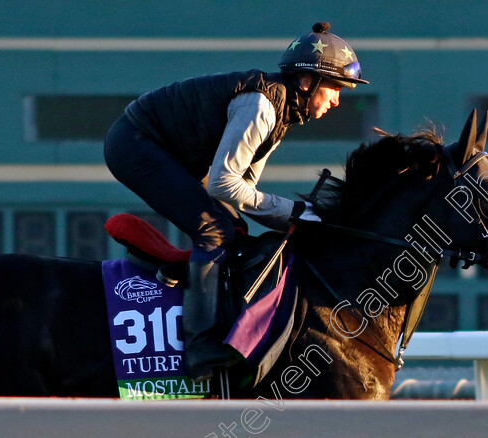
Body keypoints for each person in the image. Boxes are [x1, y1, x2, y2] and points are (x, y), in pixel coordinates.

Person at [103, 22, 368, 381]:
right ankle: (199, 347)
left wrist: (305, 224)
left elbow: (245, 190)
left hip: (170, 152)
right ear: (307, 82)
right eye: (335, 88)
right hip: (136, 143)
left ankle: (211, 310)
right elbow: (225, 185)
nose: (338, 100)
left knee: (235, 230)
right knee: (214, 233)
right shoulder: (261, 106)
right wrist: (296, 212)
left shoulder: (282, 112)